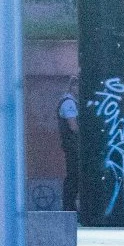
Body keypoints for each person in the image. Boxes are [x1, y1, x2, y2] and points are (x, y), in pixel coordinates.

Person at [58, 77, 80, 211]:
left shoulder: (73, 102)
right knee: (73, 176)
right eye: (77, 86)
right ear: (72, 87)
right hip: (72, 145)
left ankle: (69, 206)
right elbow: (73, 126)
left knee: (74, 176)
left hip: (73, 145)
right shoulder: (69, 103)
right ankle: (68, 207)